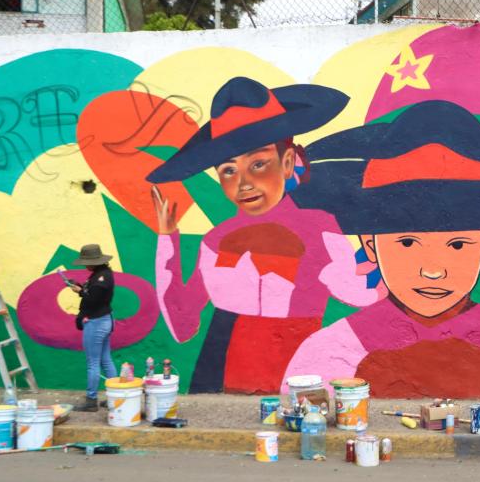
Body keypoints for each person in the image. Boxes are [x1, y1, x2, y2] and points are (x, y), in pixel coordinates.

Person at [285, 100, 480, 400]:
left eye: (458, 245)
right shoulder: (333, 350)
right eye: (407, 243)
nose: (433, 270)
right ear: (371, 247)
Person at [146, 77, 382, 394]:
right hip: (219, 368)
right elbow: (182, 326)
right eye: (229, 170)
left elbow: (362, 295)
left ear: (288, 162)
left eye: (258, 164)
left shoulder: (320, 229)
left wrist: (384, 244)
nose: (244, 183)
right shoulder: (214, 241)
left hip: (297, 364)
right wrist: (167, 240)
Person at [69, 244, 117, 411]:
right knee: (105, 360)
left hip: (96, 322)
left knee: (93, 363)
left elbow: (92, 300)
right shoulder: (103, 274)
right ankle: (115, 398)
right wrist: (82, 289)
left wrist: (80, 292)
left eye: (86, 262)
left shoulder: (100, 279)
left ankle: (91, 400)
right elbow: (96, 296)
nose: (85, 265)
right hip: (105, 320)